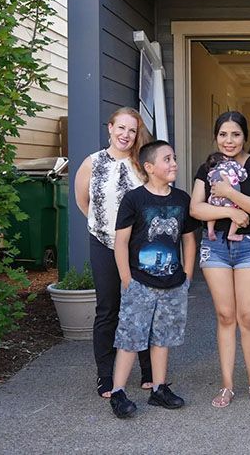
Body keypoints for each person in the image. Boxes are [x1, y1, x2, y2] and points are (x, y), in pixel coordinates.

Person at [108, 140, 198, 418]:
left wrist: (187, 276)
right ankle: (118, 392)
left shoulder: (182, 199)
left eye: (174, 158)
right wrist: (126, 278)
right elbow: (121, 241)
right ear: (149, 167)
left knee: (163, 338)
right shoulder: (134, 199)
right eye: (167, 159)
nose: (173, 163)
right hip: (139, 282)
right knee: (130, 338)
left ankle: (159, 389)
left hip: (172, 283)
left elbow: (189, 241)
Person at [190, 111, 250, 408]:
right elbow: (196, 209)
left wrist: (227, 193)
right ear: (216, 137)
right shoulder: (207, 166)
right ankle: (227, 385)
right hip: (216, 247)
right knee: (226, 316)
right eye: (223, 134)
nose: (229, 140)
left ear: (244, 137)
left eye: (235, 134)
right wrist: (231, 212)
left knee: (247, 316)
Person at [73, 107, 154, 398]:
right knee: (108, 309)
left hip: (139, 247)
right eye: (121, 128)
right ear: (110, 128)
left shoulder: (143, 164)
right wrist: (105, 227)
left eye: (132, 130)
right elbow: (84, 203)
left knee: (142, 308)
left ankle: (149, 371)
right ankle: (105, 375)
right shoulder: (91, 163)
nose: (126, 135)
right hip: (104, 243)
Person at [203, 151, 248, 242]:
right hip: (228, 198)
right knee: (238, 213)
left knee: (212, 213)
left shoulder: (212, 171)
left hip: (214, 197)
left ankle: (210, 230)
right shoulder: (232, 164)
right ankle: (231, 234)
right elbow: (243, 175)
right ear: (225, 158)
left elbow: (209, 179)